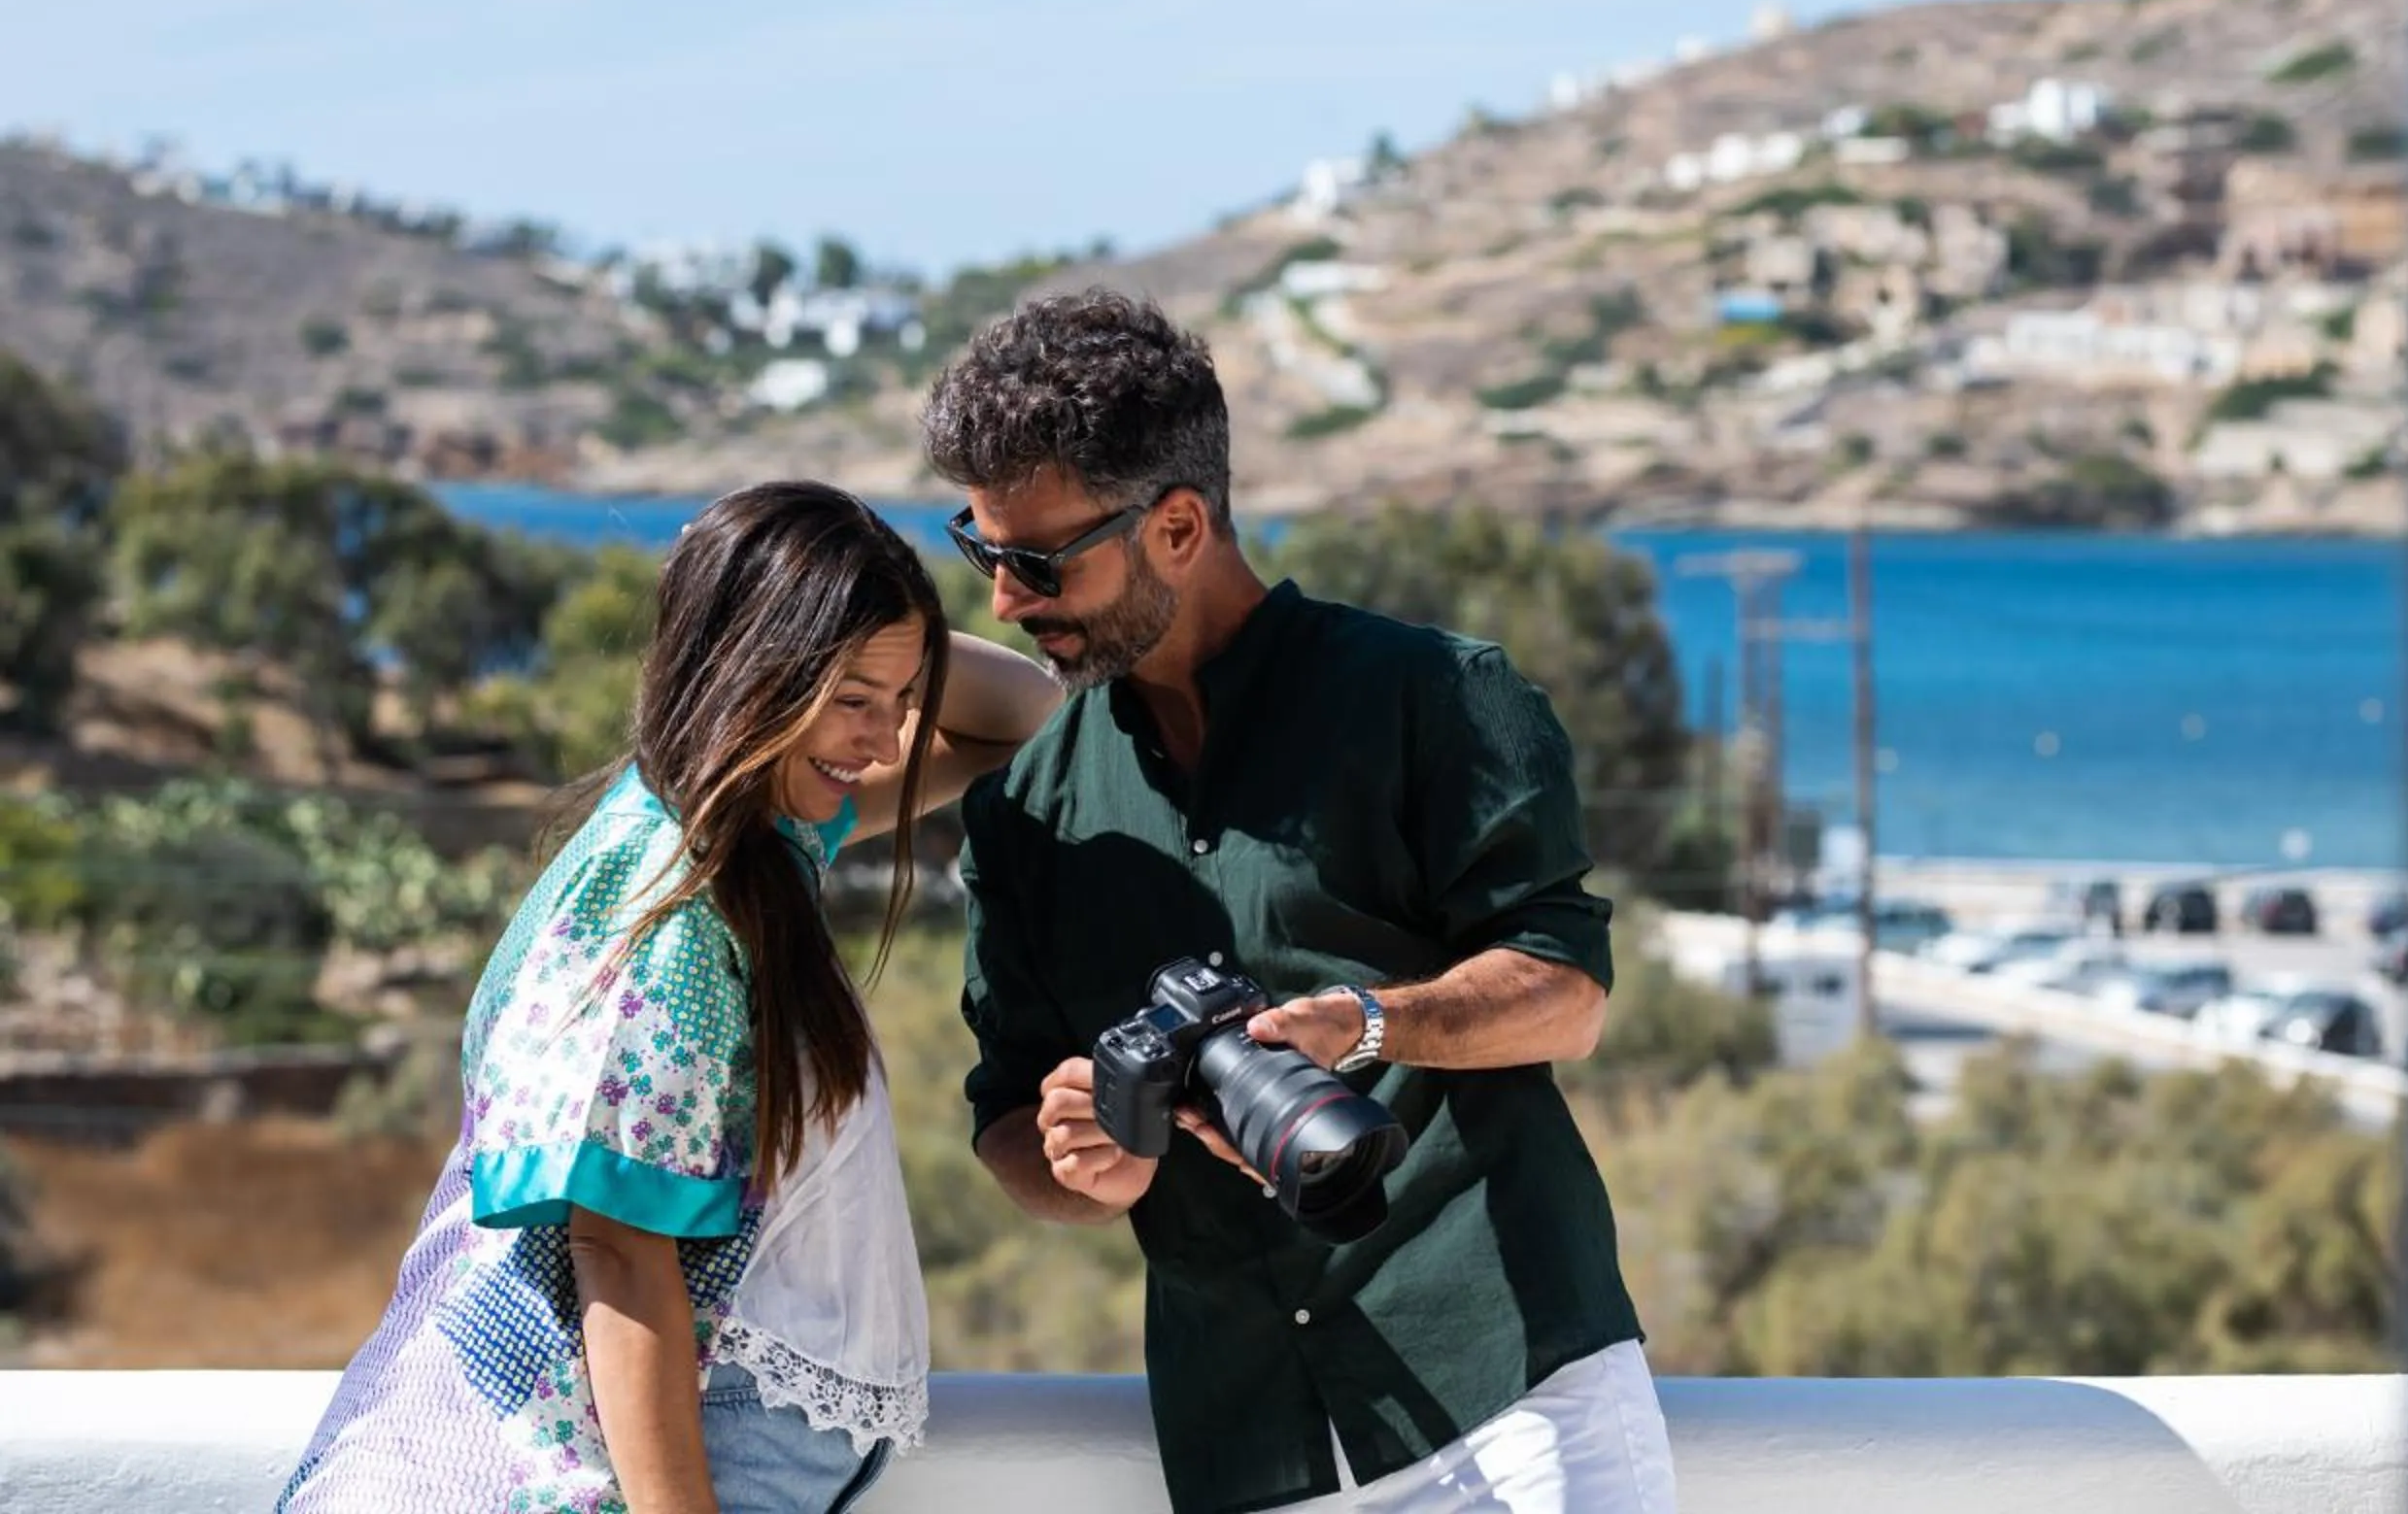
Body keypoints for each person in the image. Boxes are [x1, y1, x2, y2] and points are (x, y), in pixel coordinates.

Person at [924, 290, 1674, 1514]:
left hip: (1512, 1392)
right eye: (982, 547)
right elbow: (1008, 1118)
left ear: (1177, 524)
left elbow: (1566, 990)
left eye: (1038, 559)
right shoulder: (1027, 811)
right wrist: (1079, 1161)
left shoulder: (1433, 694)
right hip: (1246, 1442)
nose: (1005, 598)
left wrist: (1364, 1025)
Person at [281, 483, 1060, 1514]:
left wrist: (877, 625)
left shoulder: (756, 838)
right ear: (752, 670)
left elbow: (1028, 718)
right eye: (853, 696)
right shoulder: (668, 910)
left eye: (898, 697)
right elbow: (620, 1253)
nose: (882, 741)